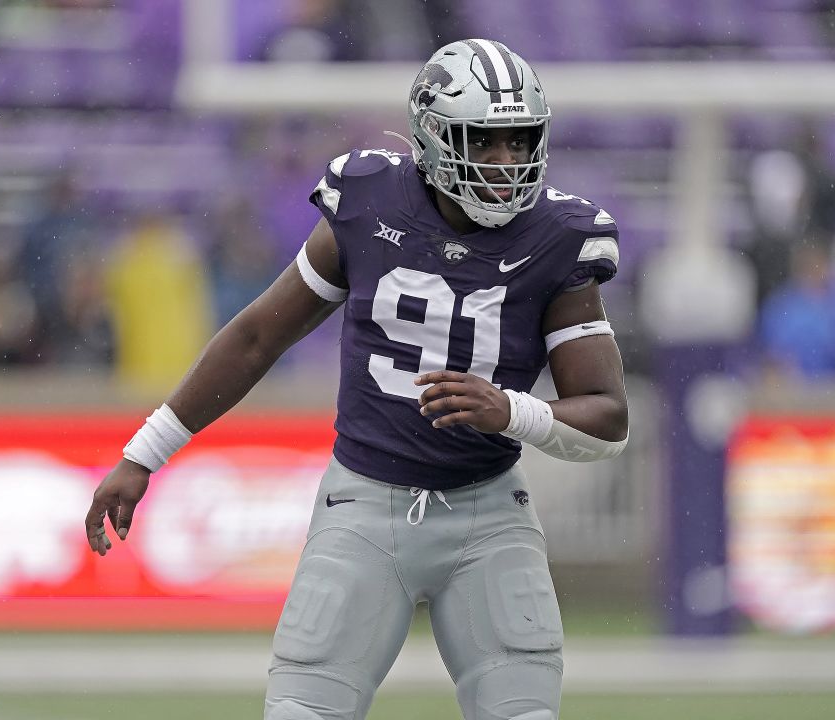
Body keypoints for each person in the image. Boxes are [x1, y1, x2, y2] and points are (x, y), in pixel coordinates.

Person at [84, 39, 629, 720]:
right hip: (366, 504)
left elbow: (608, 418)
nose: (506, 164)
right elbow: (258, 337)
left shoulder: (557, 235)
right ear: (433, 138)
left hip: (489, 513)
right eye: (484, 143)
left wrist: (512, 412)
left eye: (520, 143)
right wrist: (145, 453)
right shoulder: (369, 200)